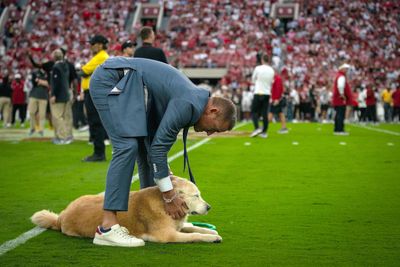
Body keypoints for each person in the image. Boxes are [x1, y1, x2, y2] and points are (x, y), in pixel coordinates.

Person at [89, 57, 236, 247]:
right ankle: (107, 228)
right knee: (127, 146)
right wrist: (169, 195)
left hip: (129, 83)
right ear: (213, 111)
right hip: (112, 79)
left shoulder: (193, 99)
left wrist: (164, 176)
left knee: (144, 147)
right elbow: (159, 149)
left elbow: (154, 147)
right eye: (214, 128)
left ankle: (154, 219)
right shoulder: (188, 104)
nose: (209, 133)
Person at [79, 34, 109, 161]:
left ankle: (99, 153)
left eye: (93, 44)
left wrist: (83, 71)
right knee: (95, 122)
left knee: (95, 122)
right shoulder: (99, 56)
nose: (90, 46)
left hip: (93, 92)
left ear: (100, 45)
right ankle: (98, 152)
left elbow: (83, 71)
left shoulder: (101, 56)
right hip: (92, 92)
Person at [49, 49, 71, 144]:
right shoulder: (65, 66)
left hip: (59, 96)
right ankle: (65, 136)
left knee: (58, 117)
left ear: (54, 57)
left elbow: (56, 83)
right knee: (64, 116)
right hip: (66, 94)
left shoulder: (56, 67)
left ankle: (62, 137)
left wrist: (54, 94)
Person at [250, 53, 274, 138]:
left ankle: (257, 128)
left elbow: (253, 80)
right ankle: (264, 132)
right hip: (267, 93)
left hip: (258, 92)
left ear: (262, 60)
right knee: (264, 113)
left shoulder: (258, 68)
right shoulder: (271, 70)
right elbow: (272, 82)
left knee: (254, 111)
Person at [332, 63, 352, 135]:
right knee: (341, 114)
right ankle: (340, 130)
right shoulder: (341, 76)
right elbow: (340, 86)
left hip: (337, 98)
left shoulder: (339, 75)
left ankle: (337, 129)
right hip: (340, 98)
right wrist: (342, 94)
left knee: (338, 114)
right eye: (346, 69)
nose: (347, 70)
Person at [28, 68, 49, 136]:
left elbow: (50, 84)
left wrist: (40, 81)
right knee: (31, 112)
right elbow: (33, 82)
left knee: (42, 114)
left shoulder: (49, 72)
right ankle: (32, 128)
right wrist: (44, 82)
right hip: (34, 94)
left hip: (43, 96)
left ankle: (41, 130)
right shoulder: (35, 72)